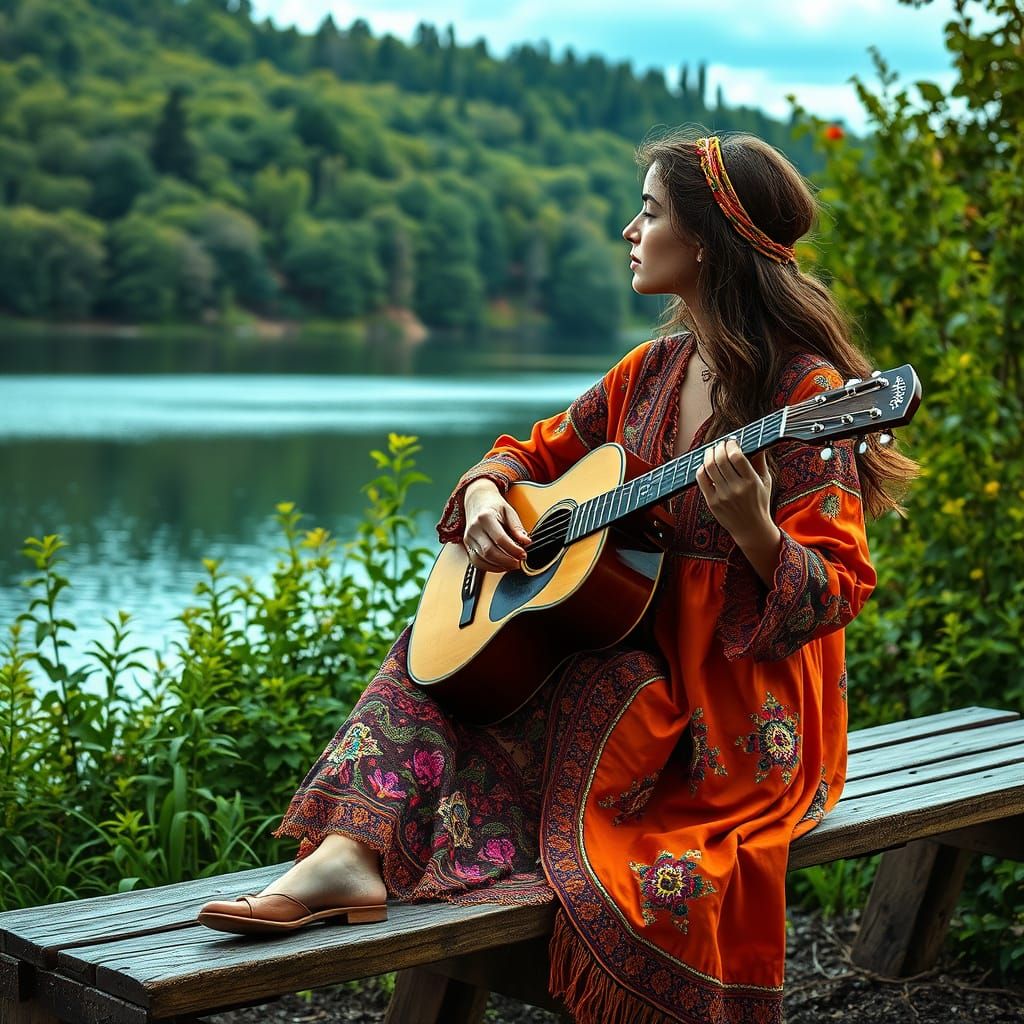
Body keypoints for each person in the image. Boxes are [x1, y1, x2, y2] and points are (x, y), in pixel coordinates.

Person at [197, 130, 916, 1024]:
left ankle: (364, 861)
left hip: (736, 700)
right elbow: (523, 453)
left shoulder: (804, 397)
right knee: (444, 657)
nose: (629, 228)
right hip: (635, 658)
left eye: (649, 211)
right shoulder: (649, 372)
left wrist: (754, 529)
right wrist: (491, 496)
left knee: (582, 697)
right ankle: (346, 850)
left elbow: (838, 587)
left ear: (705, 239)